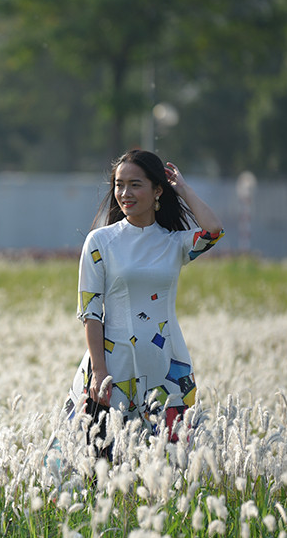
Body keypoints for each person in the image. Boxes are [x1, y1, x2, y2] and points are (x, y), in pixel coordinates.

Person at [65, 149, 224, 461]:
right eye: (119, 185)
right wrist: (99, 371)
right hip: (113, 366)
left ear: (157, 191)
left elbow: (213, 231)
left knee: (170, 463)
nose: (125, 193)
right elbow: (91, 312)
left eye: (135, 185)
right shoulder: (100, 242)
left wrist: (184, 189)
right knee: (100, 463)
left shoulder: (173, 243)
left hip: (166, 364)